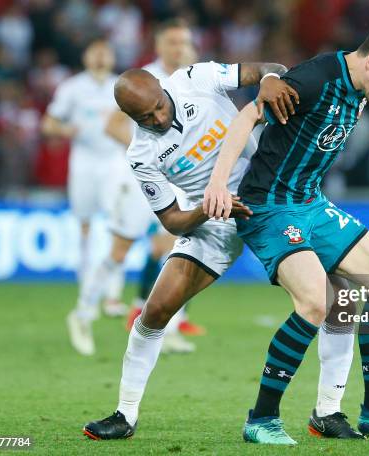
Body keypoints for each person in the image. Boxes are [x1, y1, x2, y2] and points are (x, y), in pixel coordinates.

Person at [204, 22, 369, 444]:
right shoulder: (316, 78)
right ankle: (262, 419)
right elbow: (247, 116)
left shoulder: (363, 91)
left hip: (311, 203)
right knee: (318, 301)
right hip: (269, 206)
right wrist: (218, 184)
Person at [82, 59, 300, 440]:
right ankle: (125, 415)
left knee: (321, 298)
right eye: (144, 118)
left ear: (162, 88)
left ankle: (331, 409)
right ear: (129, 116)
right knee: (155, 311)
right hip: (213, 221)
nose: (158, 119)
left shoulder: (194, 79)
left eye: (159, 107)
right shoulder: (141, 155)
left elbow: (271, 67)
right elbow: (171, 221)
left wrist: (266, 80)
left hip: (270, 198)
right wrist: (207, 207)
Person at [76, 18, 200, 355]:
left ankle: (167, 326)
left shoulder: (190, 77)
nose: (181, 48)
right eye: (174, 42)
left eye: (185, 42)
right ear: (159, 46)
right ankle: (83, 313)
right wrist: (145, 155)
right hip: (139, 180)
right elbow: (113, 126)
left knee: (174, 249)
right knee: (120, 251)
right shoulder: (143, 79)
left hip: (175, 181)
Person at [41, 38, 125, 356]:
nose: (101, 56)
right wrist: (64, 131)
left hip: (115, 163)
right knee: (86, 230)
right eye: (96, 51)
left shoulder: (122, 86)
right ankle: (87, 294)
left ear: (112, 56)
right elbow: (48, 122)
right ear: (87, 56)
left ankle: (113, 296)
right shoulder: (72, 87)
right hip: (84, 164)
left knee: (118, 226)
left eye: (106, 51)